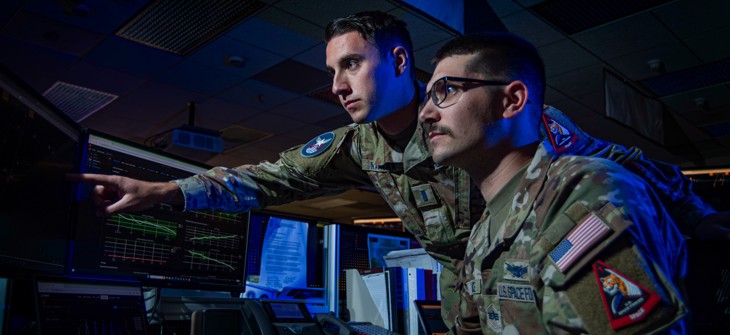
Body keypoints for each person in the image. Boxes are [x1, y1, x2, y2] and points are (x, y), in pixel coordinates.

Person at [68, 10, 726, 329]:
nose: (337, 84)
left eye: (350, 64)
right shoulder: (360, 147)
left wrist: (707, 224)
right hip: (470, 292)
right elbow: (264, 177)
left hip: (549, 277)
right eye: (331, 71)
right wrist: (166, 189)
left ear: (402, 62)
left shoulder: (500, 121)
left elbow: (622, 168)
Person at [418, 32, 688, 333]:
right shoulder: (484, 229)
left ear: (512, 100)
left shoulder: (583, 192)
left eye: (448, 90)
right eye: (427, 97)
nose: (426, 113)